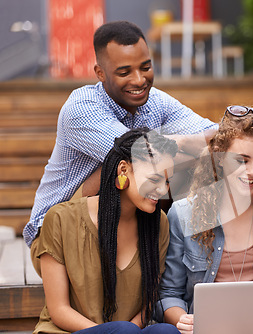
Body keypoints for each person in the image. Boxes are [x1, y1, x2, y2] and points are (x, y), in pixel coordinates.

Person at [23, 20, 216, 252]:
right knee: (124, 164)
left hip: (119, 227)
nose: (139, 80)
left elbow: (219, 133)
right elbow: (141, 155)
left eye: (145, 67)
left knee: (209, 161)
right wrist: (183, 143)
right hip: (55, 235)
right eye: (124, 72)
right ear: (100, 73)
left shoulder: (155, 101)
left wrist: (184, 142)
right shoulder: (82, 107)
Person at [154, 107, 253, 333]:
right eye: (241, 160)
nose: (252, 172)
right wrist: (184, 320)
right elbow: (169, 294)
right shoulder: (183, 214)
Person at [33, 128, 181, 333]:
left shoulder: (159, 223)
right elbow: (59, 310)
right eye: (155, 179)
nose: (163, 190)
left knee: (166, 332)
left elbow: (149, 301)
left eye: (167, 181)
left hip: (127, 331)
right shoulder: (60, 219)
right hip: (70, 331)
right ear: (123, 170)